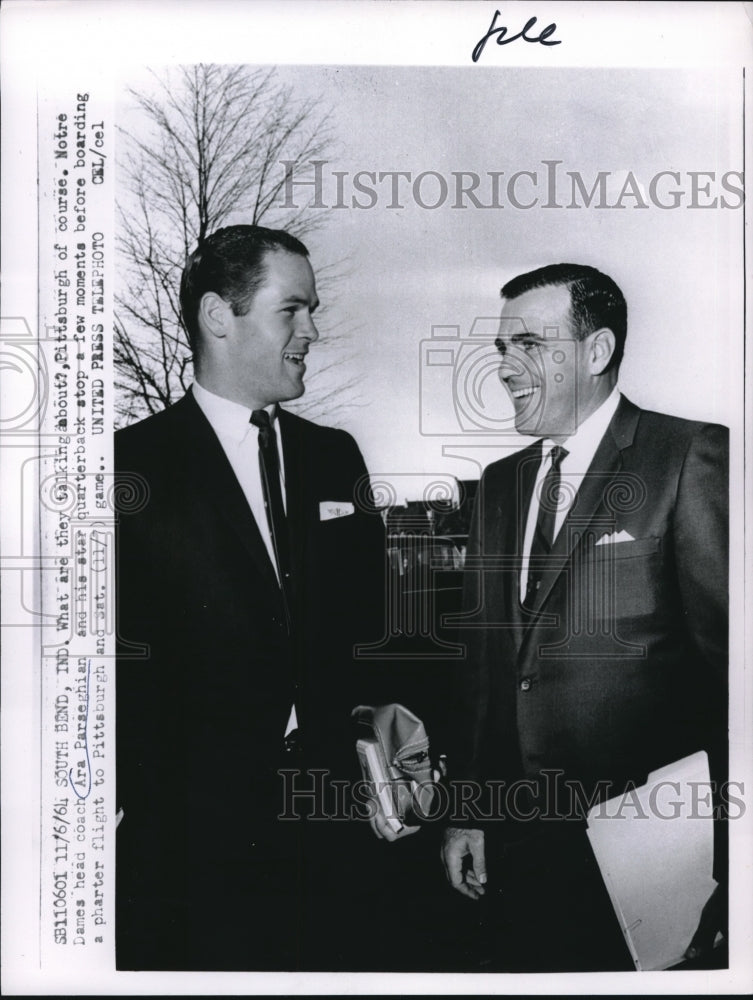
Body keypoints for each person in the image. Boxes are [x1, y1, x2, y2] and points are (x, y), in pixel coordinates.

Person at [440, 263, 728, 972]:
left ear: (595, 352)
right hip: (518, 845)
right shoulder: (499, 485)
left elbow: (736, 679)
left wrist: (728, 868)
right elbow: (484, 671)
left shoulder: (687, 456)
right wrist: (467, 810)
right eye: (501, 348)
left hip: (652, 856)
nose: (503, 367)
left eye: (528, 345)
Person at [115, 225, 385, 970]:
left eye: (314, 310)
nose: (313, 332)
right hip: (192, 856)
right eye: (291, 310)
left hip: (338, 839)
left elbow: (378, 636)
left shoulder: (336, 457)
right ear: (216, 316)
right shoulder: (124, 469)